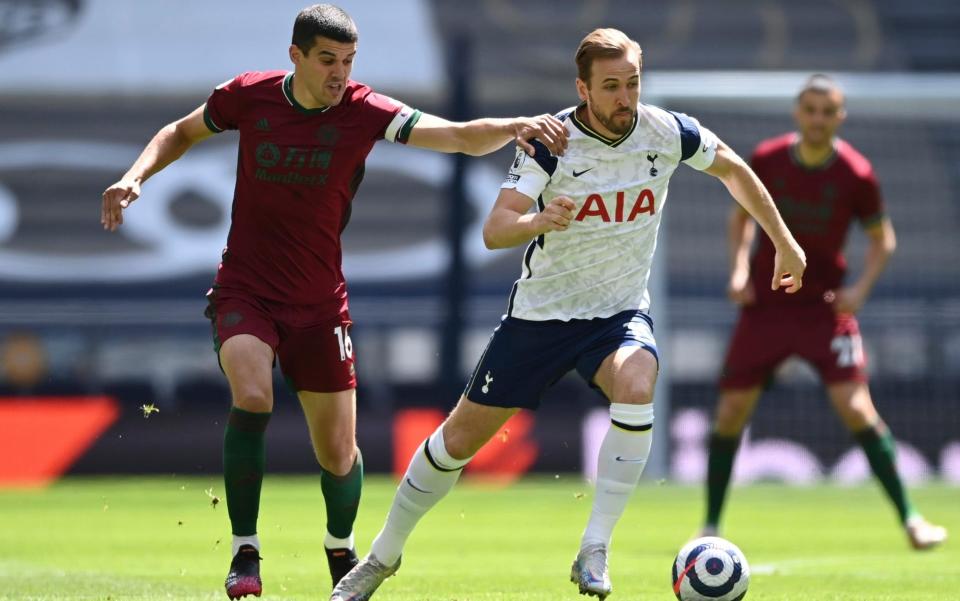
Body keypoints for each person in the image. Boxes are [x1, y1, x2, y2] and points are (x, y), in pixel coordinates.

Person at [100, 5, 568, 599]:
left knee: (338, 453)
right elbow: (181, 131)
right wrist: (137, 175)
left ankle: (339, 546)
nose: (339, 74)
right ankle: (245, 550)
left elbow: (454, 136)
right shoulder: (249, 95)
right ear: (295, 55)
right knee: (251, 392)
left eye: (347, 61)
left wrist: (515, 125)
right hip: (246, 288)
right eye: (327, 60)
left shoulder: (363, 111)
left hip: (320, 303)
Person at [330, 28, 806, 601]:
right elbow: (493, 229)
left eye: (632, 83)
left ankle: (595, 547)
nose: (625, 98)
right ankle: (381, 558)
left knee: (638, 379)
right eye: (610, 87)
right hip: (541, 317)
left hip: (618, 314)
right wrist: (537, 221)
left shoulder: (668, 132)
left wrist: (783, 240)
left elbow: (734, 169)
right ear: (582, 88)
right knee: (458, 441)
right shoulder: (551, 141)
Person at [700, 74, 947, 550]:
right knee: (731, 412)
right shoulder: (769, 159)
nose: (818, 119)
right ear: (798, 113)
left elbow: (883, 240)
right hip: (768, 304)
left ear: (840, 116)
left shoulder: (856, 173)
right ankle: (710, 524)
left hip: (823, 307)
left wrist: (861, 289)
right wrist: (737, 271)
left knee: (856, 408)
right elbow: (741, 220)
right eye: (810, 109)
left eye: (827, 111)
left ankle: (912, 520)